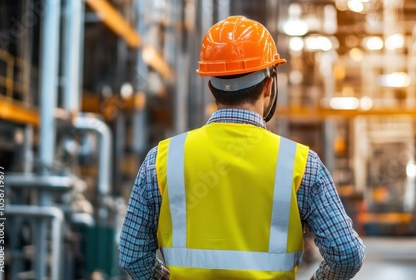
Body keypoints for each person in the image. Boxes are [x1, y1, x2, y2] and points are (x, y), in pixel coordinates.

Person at [119, 15, 365, 280]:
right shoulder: (302, 164)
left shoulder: (163, 159)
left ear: (211, 86)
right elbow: (346, 254)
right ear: (269, 85)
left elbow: (132, 255)